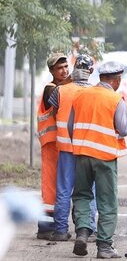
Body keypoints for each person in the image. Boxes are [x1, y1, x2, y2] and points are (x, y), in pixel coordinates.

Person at [69, 61, 127, 258]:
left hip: (82, 154)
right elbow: (124, 128)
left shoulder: (81, 95)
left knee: (82, 195)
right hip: (105, 156)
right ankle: (104, 247)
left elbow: (71, 126)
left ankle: (83, 233)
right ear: (117, 80)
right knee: (107, 201)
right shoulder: (114, 99)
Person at [48, 54, 96, 242]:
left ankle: (60, 230)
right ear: (90, 71)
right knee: (87, 191)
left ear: (75, 68)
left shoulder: (60, 91)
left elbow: (53, 113)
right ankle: (88, 228)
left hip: (66, 147)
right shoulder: (95, 92)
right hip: (87, 148)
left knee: (63, 190)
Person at [35, 52, 70, 240]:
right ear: (51, 71)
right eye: (59, 68)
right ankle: (45, 227)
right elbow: (57, 96)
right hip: (51, 144)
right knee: (50, 187)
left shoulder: (63, 87)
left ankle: (53, 224)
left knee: (58, 186)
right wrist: (76, 79)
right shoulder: (51, 88)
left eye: (66, 67)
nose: (64, 71)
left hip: (58, 142)